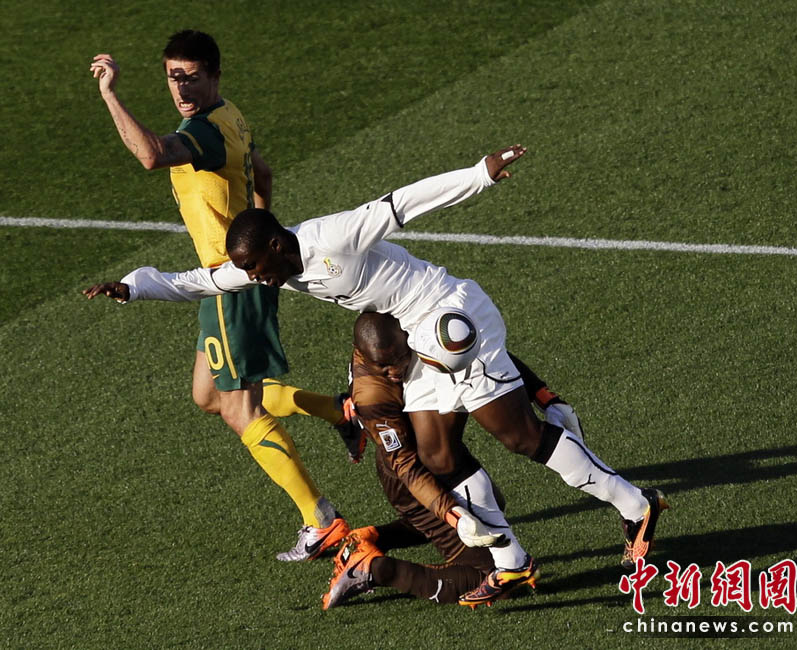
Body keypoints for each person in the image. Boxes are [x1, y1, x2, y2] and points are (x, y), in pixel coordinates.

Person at [83, 145, 667, 605]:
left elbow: (401, 204)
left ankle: (637, 506)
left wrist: (479, 175)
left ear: (278, 244)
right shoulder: (270, 267)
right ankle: (512, 562)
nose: (255, 279)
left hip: (450, 316)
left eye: (256, 267)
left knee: (518, 436)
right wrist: (134, 287)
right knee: (437, 456)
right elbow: (201, 281)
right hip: (416, 341)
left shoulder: (330, 237)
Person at [86, 30, 350, 559]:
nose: (181, 88)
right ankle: (341, 413)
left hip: (229, 280)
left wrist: (110, 95)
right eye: (173, 78)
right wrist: (263, 232)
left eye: (191, 78)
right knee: (209, 396)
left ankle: (320, 519)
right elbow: (263, 173)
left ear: (213, 75)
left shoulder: (203, 131)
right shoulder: (231, 115)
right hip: (233, 277)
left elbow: (151, 155)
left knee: (238, 408)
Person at [324, 312, 581, 609]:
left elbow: (476, 349)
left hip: (436, 452)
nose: (393, 370)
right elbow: (406, 466)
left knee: (490, 504)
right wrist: (452, 515)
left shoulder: (409, 330)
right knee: (492, 578)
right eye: (384, 365)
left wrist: (543, 394)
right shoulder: (372, 396)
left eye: (398, 359)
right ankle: (373, 568)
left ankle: (374, 538)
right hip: (411, 477)